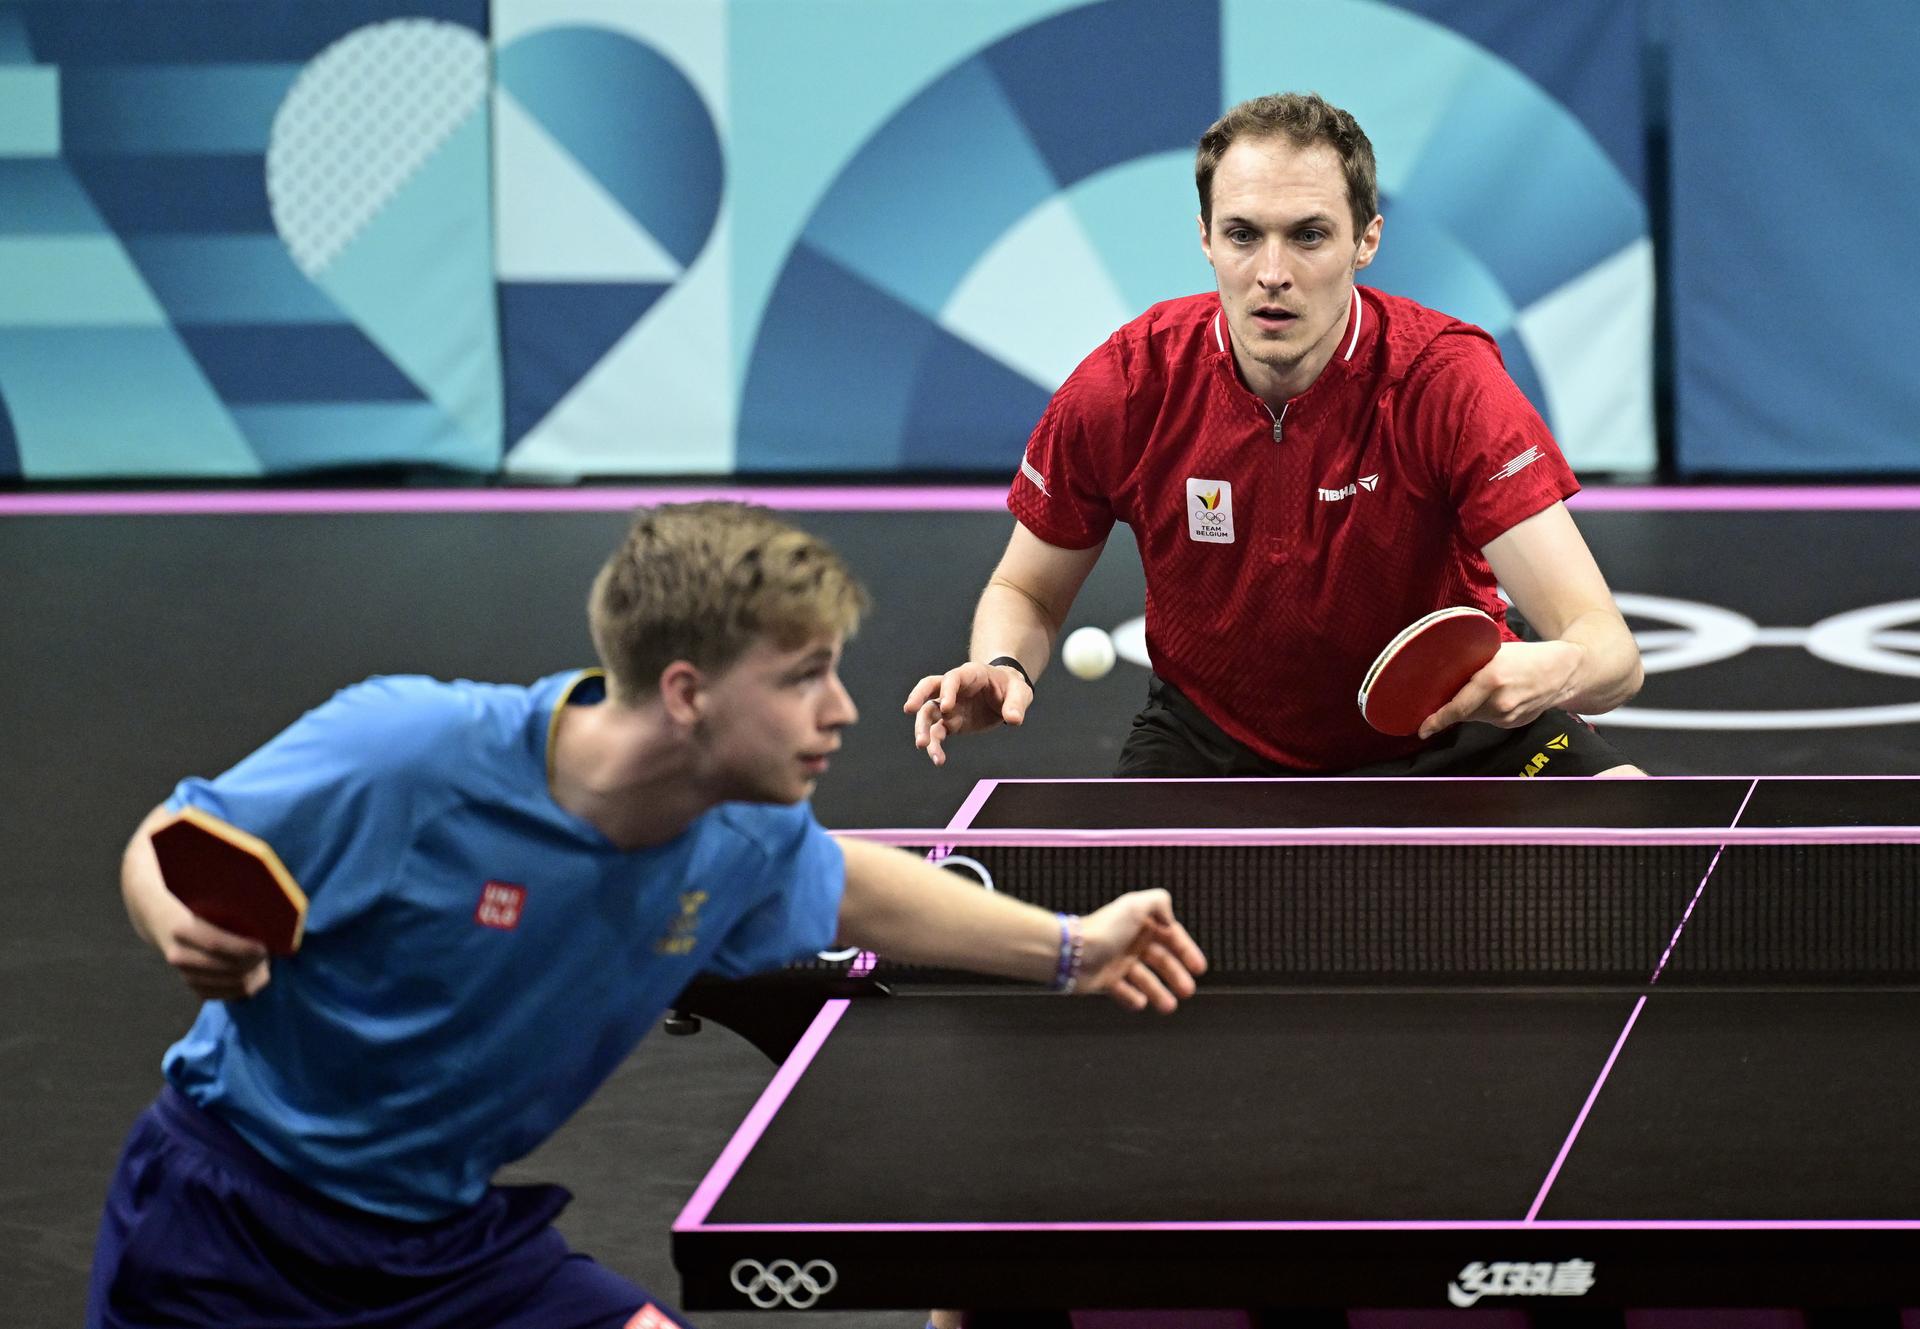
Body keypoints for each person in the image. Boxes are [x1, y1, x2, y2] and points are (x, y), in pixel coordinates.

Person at [89, 501, 1207, 1329]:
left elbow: (859, 886)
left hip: (445, 1249)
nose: (841, 709)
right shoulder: (409, 749)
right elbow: (174, 836)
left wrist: (1074, 948)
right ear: (685, 692)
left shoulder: (734, 834)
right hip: (230, 1222)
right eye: (803, 677)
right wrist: (169, 915)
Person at [905, 92, 1645, 780]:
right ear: (1205, 238)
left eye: (1308, 236)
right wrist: (1002, 663)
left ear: (1366, 240)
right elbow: (1027, 589)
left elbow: (1611, 653)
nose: (1271, 273)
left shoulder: (1446, 383)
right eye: (1242, 235)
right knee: (1116, 881)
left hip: (1455, 727)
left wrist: (1553, 671)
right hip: (1212, 744)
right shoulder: (1127, 387)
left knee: (1630, 824)